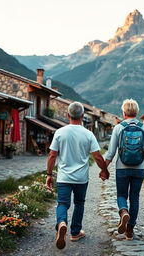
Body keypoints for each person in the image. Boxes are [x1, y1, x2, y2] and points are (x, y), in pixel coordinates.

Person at [45, 101, 109, 250]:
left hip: (63, 178)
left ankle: (62, 223)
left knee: (62, 203)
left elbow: (52, 155)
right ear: (82, 116)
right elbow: (98, 157)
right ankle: (75, 232)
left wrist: (49, 174)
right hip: (81, 178)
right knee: (79, 203)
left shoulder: (60, 132)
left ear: (68, 115)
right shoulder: (88, 134)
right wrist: (104, 170)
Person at [105, 99, 144, 240]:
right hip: (139, 168)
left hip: (122, 168)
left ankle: (123, 212)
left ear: (123, 112)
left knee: (121, 195)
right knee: (134, 198)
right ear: (137, 112)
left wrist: (104, 169)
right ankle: (130, 230)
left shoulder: (118, 128)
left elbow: (110, 152)